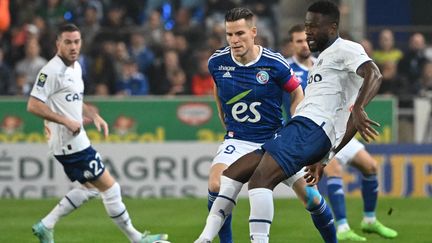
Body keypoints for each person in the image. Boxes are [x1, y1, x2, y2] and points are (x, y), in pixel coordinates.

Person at [196, 1, 384, 242]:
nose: (234, 39)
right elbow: (218, 93)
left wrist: (354, 108)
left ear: (253, 33)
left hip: (279, 135)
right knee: (222, 181)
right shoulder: (217, 62)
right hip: (242, 139)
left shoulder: (278, 63)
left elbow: (369, 74)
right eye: (229, 34)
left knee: (308, 197)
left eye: (239, 33)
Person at [27, 23, 168, 243]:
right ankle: (137, 238)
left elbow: (73, 98)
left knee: (90, 188)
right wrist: (65, 120)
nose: (73, 46)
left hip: (75, 139)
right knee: (111, 189)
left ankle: (46, 225)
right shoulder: (51, 71)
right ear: (58, 43)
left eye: (77, 41)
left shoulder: (76, 67)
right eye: (68, 42)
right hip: (70, 143)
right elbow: (33, 105)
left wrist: (93, 115)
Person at [283, 24, 398, 241]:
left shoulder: (324, 63)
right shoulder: (286, 69)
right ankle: (343, 227)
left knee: (370, 166)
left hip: (340, 127)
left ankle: (369, 220)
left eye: (304, 39)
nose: (303, 44)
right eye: (298, 41)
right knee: (333, 170)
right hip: (314, 133)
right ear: (292, 44)